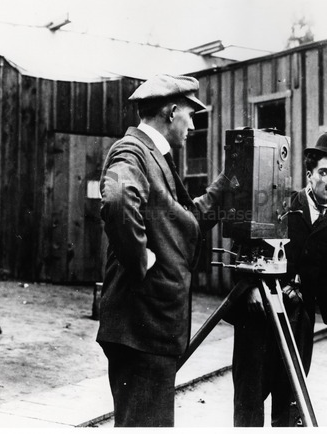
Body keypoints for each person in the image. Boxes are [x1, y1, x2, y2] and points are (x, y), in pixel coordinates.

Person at [96, 74, 231, 427]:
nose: (193, 124)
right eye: (191, 114)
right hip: (141, 329)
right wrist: (141, 258)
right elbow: (116, 199)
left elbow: (188, 221)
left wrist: (230, 179)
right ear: (171, 112)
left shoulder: (155, 156)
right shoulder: (133, 151)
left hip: (151, 330)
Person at [231, 132, 327, 427]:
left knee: (290, 401)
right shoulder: (280, 205)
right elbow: (241, 253)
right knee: (250, 400)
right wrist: (248, 292)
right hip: (261, 316)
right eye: (324, 172)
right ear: (310, 175)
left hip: (299, 322)